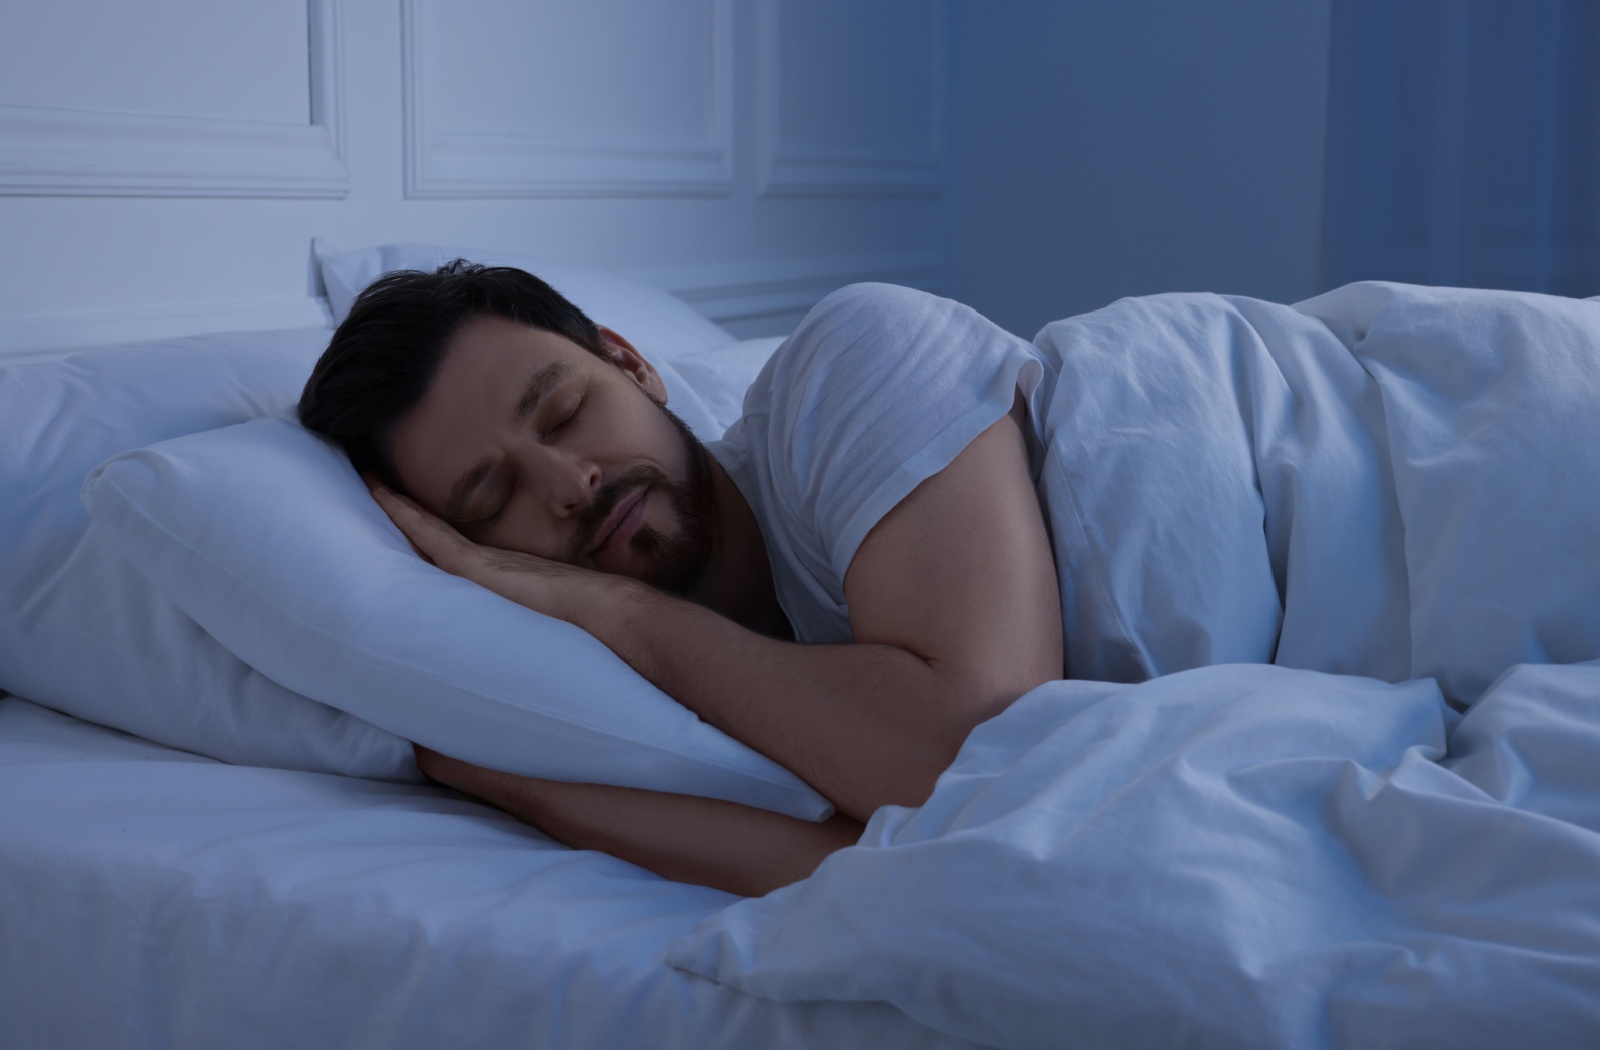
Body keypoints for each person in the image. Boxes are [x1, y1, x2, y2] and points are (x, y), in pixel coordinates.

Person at [298, 261, 1063, 896]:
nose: (570, 483)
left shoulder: (854, 355)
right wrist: (515, 787)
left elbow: (983, 771)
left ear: (632, 365)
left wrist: (621, 610)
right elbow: (892, 867)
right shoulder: (718, 687)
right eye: (492, 499)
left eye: (564, 414)